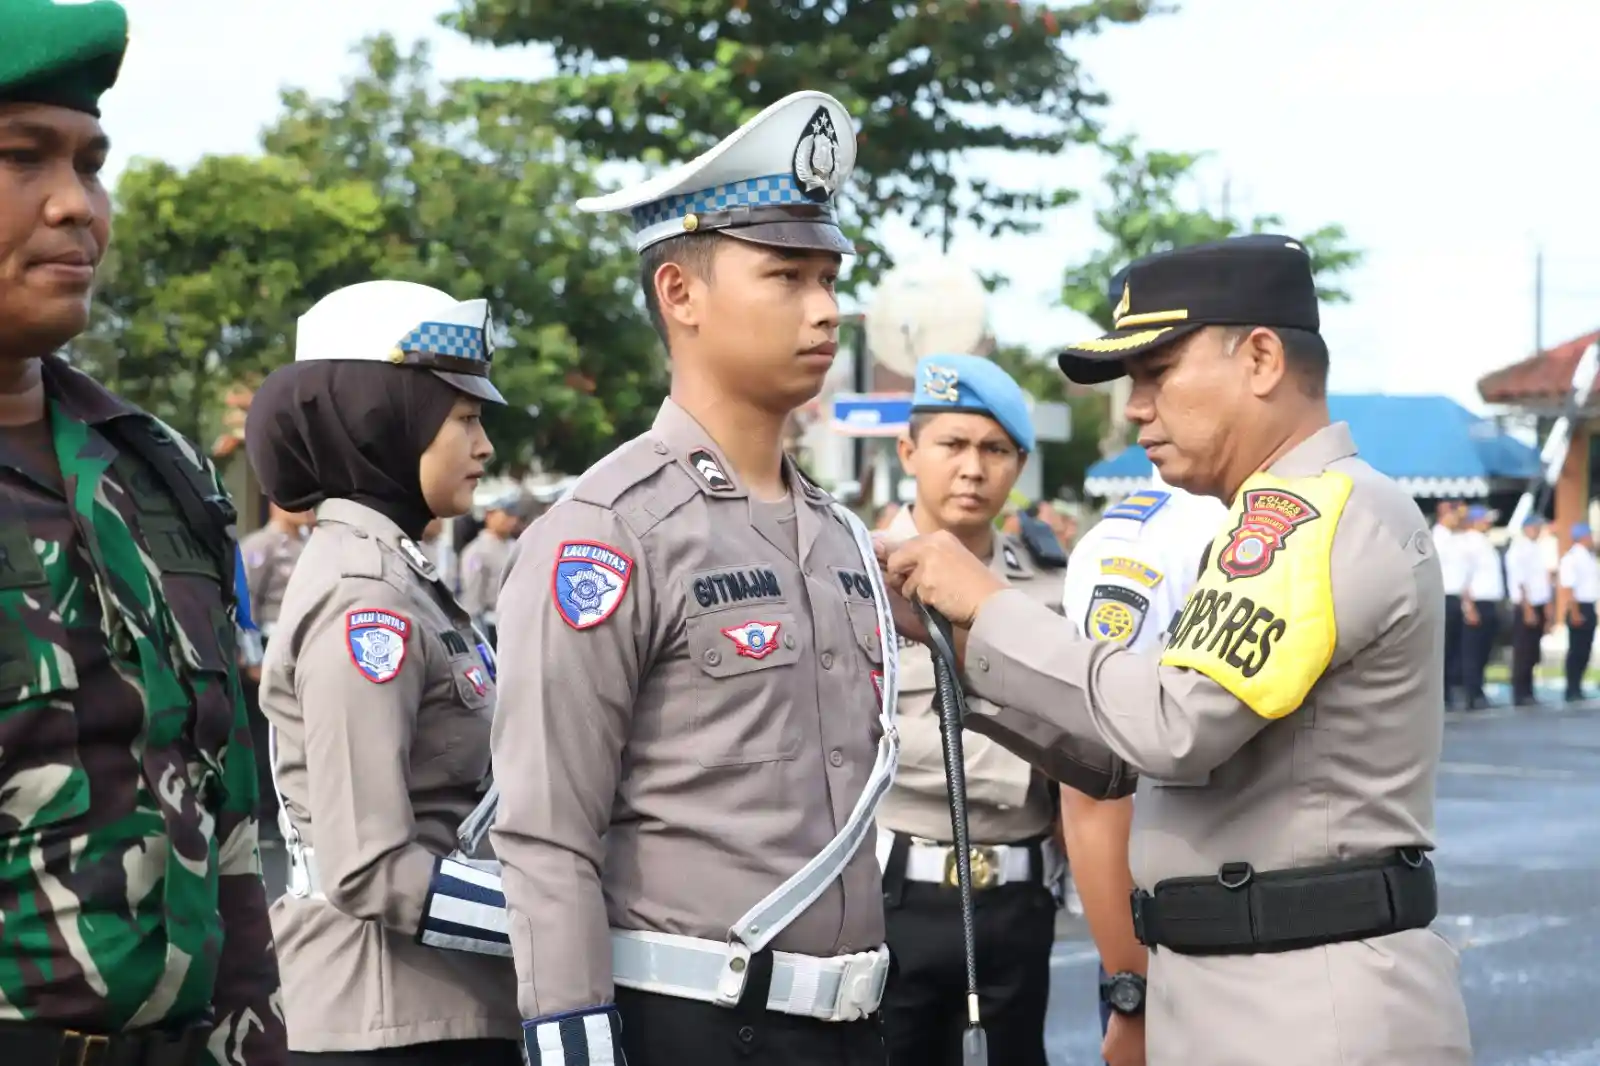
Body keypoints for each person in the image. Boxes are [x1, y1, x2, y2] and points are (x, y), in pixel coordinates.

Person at [879, 235, 1472, 1066]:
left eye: (1157, 371)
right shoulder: (1263, 518)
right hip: (1250, 984)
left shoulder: (1307, 516)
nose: (1134, 407)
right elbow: (1133, 760)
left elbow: (1170, 727)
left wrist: (991, 604)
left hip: (1305, 1002)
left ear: (1260, 358)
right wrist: (959, 644)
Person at [0, 4, 287, 1063]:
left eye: (89, 162)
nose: (77, 206)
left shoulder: (154, 470)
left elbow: (230, 815)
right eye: (21, 157)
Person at [245, 281, 520, 1065]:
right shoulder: (365, 601)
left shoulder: (399, 578)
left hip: (440, 1005)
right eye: (464, 418)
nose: (483, 445)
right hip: (392, 1018)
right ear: (382, 422)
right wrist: (558, 916)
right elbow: (369, 868)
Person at [874, 354, 1108, 1066]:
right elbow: (839, 744)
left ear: (1019, 464)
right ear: (910, 451)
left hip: (1018, 905)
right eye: (953, 445)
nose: (973, 469)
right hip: (891, 904)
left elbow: (1090, 730)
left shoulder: (1053, 583)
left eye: (995, 449)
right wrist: (1020, 765)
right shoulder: (849, 574)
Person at [1060, 470, 1226, 1066]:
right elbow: (1098, 784)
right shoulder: (1147, 545)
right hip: (1185, 956)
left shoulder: (1303, 512)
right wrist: (1132, 994)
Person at [240, 502, 315, 830]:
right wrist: (252, 658)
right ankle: (264, 811)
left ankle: (290, 803)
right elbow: (245, 606)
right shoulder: (259, 546)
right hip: (268, 648)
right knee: (264, 734)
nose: (307, 508)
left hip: (301, 652)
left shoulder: (308, 544)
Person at [457, 491, 532, 645]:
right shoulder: (477, 551)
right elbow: (472, 598)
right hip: (491, 625)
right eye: (506, 514)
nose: (512, 520)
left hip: (518, 621)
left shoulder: (516, 546)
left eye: (514, 515)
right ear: (489, 515)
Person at [1458, 504, 1503, 710]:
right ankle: (1471, 693)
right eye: (1485, 519)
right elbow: (1464, 578)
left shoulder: (1485, 542)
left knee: (1484, 650)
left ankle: (1479, 689)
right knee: (1472, 651)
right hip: (1476, 602)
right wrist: (1469, 607)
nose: (1489, 522)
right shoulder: (1467, 543)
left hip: (1490, 601)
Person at [1505, 514, 1551, 705]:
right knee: (1523, 650)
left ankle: (1528, 690)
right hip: (1526, 605)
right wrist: (1528, 609)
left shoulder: (1536, 548)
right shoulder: (1519, 549)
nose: (1538, 530)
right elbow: (1520, 581)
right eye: (1535, 527)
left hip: (1538, 604)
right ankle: (1519, 692)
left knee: (1532, 651)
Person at [1432, 501, 1469, 709]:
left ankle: (1450, 691)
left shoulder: (1455, 539)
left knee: (1455, 648)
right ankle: (1441, 693)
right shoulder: (1437, 537)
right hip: (1443, 596)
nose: (1459, 519)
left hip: (1456, 598)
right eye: (1455, 515)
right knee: (1443, 648)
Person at [1559, 522, 1598, 702]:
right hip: (1578, 606)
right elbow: (1569, 588)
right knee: (1576, 649)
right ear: (1583, 537)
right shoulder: (1572, 558)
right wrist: (1574, 612)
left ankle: (1578, 686)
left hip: (1588, 606)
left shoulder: (1589, 557)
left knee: (1585, 649)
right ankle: (1571, 688)